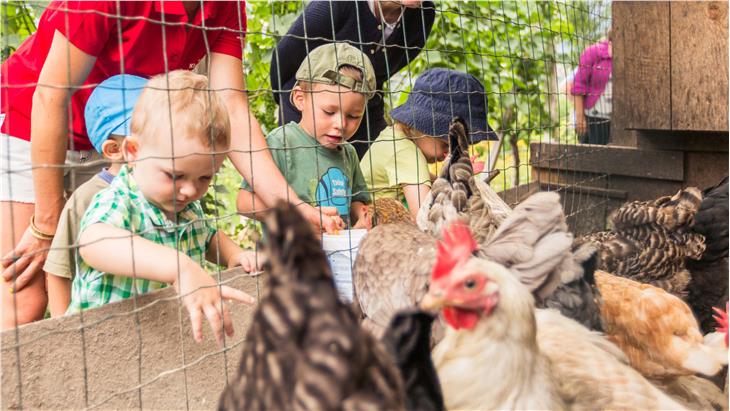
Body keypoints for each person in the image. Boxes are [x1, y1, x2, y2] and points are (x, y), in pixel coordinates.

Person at [0, 1, 332, 330]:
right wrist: (45, 225)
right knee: (23, 297)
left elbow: (230, 105)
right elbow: (48, 96)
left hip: (126, 139)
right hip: (29, 121)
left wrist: (292, 204)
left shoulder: (226, 6)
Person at [69, 71, 258, 345]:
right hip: (102, 344)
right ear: (132, 152)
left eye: (205, 178)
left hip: (155, 344)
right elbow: (94, 242)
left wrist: (235, 254)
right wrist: (180, 268)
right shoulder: (122, 199)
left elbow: (207, 238)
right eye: (175, 175)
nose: (190, 190)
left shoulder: (187, 208)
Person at [270, 0, 436, 159]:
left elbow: (384, 72)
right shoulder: (337, 4)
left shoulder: (423, 15)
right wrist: (296, 104)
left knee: (378, 168)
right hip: (308, 106)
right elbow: (284, 59)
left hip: (362, 110)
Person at [238, 43, 373, 229]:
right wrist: (297, 218)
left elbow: (357, 200)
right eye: (328, 111)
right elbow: (245, 202)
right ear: (300, 99)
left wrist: (361, 216)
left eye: (353, 116)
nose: (341, 124)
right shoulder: (282, 142)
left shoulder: (348, 153)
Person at [44, 74, 146, 317]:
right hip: (101, 321)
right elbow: (59, 270)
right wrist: (64, 328)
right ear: (114, 149)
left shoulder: (170, 189)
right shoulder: (87, 198)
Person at [360, 68, 497, 220]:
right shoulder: (407, 154)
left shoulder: (394, 138)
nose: (450, 152)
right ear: (424, 127)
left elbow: (424, 178)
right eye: (447, 144)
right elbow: (425, 218)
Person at [571, 29, 612, 145]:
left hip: (620, 122)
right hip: (594, 120)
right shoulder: (593, 52)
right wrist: (580, 117)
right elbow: (579, 85)